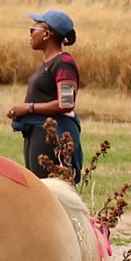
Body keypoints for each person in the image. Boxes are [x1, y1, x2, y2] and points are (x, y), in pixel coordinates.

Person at [12, 10, 83, 180]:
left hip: (52, 134)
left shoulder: (63, 63)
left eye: (33, 28)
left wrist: (29, 108)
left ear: (46, 34)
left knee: (48, 186)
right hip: (38, 132)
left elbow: (66, 103)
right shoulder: (49, 64)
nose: (30, 33)